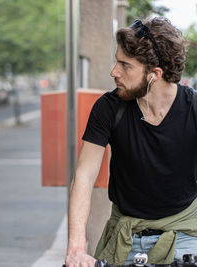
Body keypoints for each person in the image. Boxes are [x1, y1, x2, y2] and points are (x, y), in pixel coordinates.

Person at [65, 17, 197, 267]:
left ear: (154, 75)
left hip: (185, 233)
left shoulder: (194, 109)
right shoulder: (108, 108)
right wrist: (76, 247)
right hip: (126, 235)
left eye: (125, 65)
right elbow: (83, 175)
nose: (114, 71)